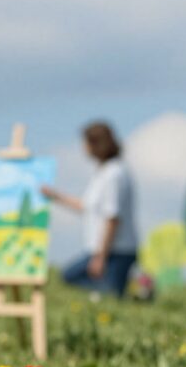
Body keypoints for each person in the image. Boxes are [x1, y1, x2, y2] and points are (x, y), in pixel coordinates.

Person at [40, 122, 139, 298]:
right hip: (100, 249)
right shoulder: (102, 173)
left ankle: (141, 294)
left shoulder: (114, 174)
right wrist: (55, 196)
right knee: (70, 277)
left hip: (116, 250)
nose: (83, 148)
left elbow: (112, 217)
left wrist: (101, 256)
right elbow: (86, 206)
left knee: (111, 295)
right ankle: (133, 293)